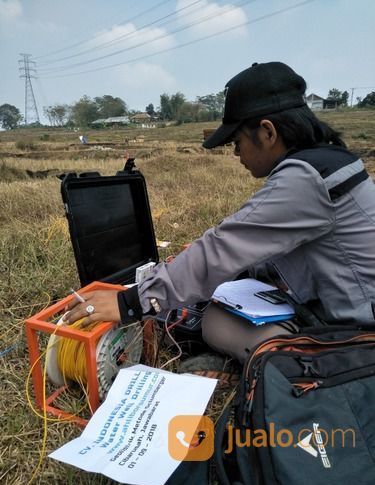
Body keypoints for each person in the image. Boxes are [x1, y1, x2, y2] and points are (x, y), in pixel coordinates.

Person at [65, 61, 375, 365]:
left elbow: (224, 246)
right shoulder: (328, 162)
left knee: (217, 323)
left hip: (361, 328)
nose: (237, 154)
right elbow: (273, 245)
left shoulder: (306, 180)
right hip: (352, 302)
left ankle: (312, 363)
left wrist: (130, 302)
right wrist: (236, 270)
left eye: (237, 142)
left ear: (267, 132)